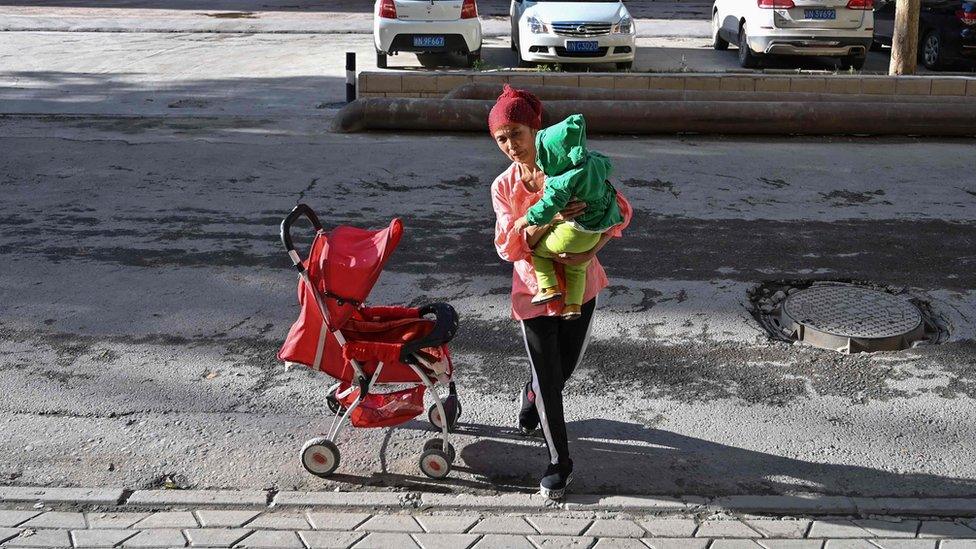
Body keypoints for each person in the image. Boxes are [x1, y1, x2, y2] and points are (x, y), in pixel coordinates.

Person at [488, 85, 632, 500]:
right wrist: (550, 222)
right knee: (550, 381)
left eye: (516, 132)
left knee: (561, 373)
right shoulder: (503, 187)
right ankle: (559, 463)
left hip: (581, 288)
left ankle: (530, 392)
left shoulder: (573, 165)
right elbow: (509, 245)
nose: (511, 145)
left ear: (536, 128)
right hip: (532, 294)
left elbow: (620, 211)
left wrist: (594, 245)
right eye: (501, 138)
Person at [511, 113, 624, 321]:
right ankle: (573, 305)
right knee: (578, 268)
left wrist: (523, 220)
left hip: (573, 231)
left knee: (539, 253)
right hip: (596, 232)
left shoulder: (559, 181)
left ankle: (548, 287)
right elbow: (608, 166)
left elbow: (545, 209)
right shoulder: (594, 164)